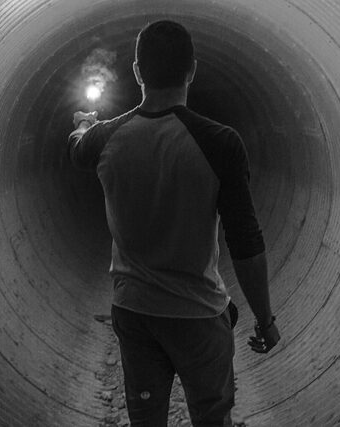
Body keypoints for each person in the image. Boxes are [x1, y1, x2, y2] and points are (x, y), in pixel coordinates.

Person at [67, 20, 280, 427]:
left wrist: (83, 123)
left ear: (136, 72)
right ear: (193, 70)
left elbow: (77, 147)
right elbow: (245, 241)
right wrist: (265, 320)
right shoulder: (220, 142)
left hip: (135, 313)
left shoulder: (105, 138)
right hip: (198, 316)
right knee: (212, 418)